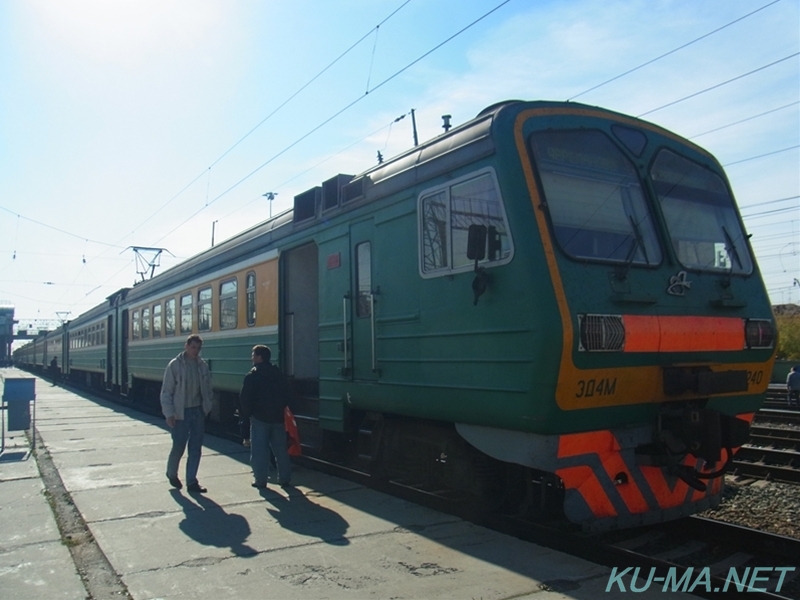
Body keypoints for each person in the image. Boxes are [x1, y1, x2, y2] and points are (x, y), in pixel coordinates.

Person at [160, 334, 214, 493]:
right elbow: (166, 391)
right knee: (178, 445)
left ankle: (192, 482)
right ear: (186, 346)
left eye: (198, 348)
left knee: (196, 447)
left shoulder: (202, 366)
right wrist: (169, 413)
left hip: (197, 411)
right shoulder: (175, 365)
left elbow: (208, 388)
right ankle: (171, 473)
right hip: (180, 412)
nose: (195, 351)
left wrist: (207, 407)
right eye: (193, 347)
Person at [239, 345, 292, 489]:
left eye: (253, 355)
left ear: (259, 357)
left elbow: (245, 399)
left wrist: (247, 415)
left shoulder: (252, 376)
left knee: (259, 451)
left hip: (259, 418)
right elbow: (287, 395)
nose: (252, 358)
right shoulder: (279, 374)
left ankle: (260, 481)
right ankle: (285, 479)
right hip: (277, 418)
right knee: (281, 450)